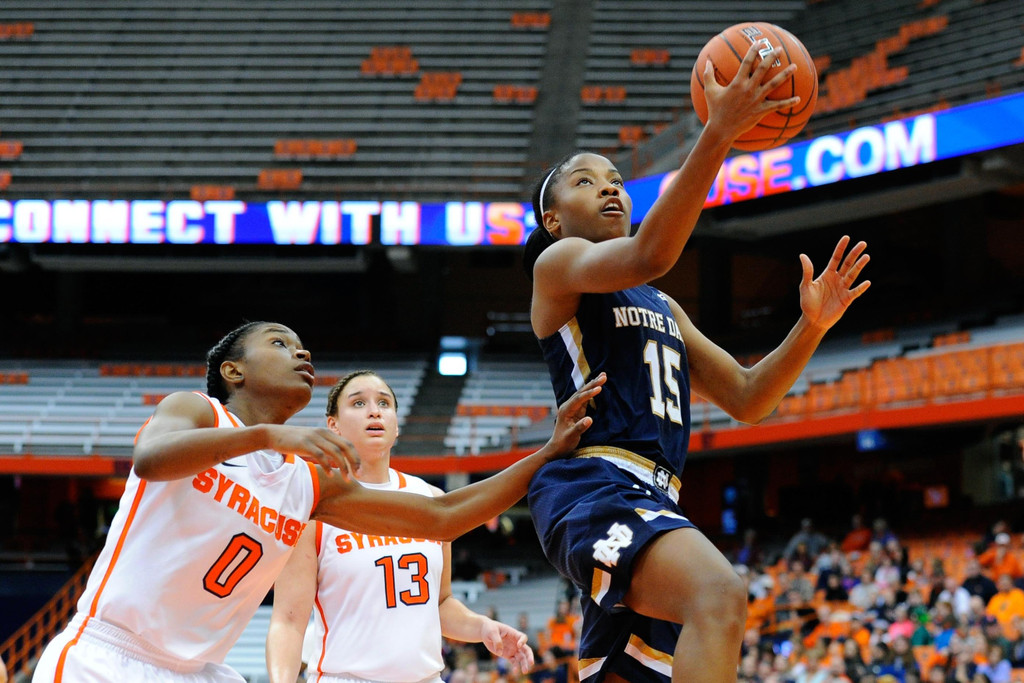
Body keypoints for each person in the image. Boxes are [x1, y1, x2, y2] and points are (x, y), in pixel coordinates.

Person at [521, 40, 871, 683]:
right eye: (585, 181)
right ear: (552, 219)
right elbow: (652, 252)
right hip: (595, 485)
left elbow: (747, 397)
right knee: (721, 594)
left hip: (657, 499)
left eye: (617, 181)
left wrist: (811, 326)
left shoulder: (661, 306)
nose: (609, 189)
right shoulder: (557, 265)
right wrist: (719, 131)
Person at [33, 322, 604, 683]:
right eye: (279, 343)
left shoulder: (306, 483)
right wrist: (267, 436)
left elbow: (443, 517)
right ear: (233, 371)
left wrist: (547, 451)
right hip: (105, 656)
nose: (300, 350)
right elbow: (151, 459)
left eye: (302, 344)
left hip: (200, 670)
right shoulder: (196, 410)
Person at [266, 370, 536, 683]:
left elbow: (441, 603)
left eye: (384, 403)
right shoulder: (315, 508)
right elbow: (288, 620)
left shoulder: (432, 499)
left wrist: (482, 627)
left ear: (396, 427)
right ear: (333, 426)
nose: (374, 410)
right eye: (358, 403)